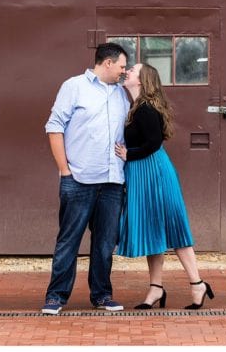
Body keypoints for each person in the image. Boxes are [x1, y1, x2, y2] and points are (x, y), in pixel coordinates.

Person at [115, 63, 214, 310]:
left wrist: (129, 155)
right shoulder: (135, 107)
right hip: (142, 173)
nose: (127, 71)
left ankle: (197, 283)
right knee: (153, 230)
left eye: (133, 70)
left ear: (142, 80)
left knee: (174, 227)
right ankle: (156, 288)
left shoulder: (146, 109)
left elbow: (153, 143)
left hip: (154, 173)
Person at [42, 43, 130, 314]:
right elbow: (54, 127)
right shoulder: (74, 86)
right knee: (69, 240)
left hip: (112, 181)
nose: (124, 72)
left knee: (105, 243)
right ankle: (56, 296)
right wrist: (65, 170)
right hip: (79, 179)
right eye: (122, 66)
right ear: (107, 63)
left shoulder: (122, 95)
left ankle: (102, 295)